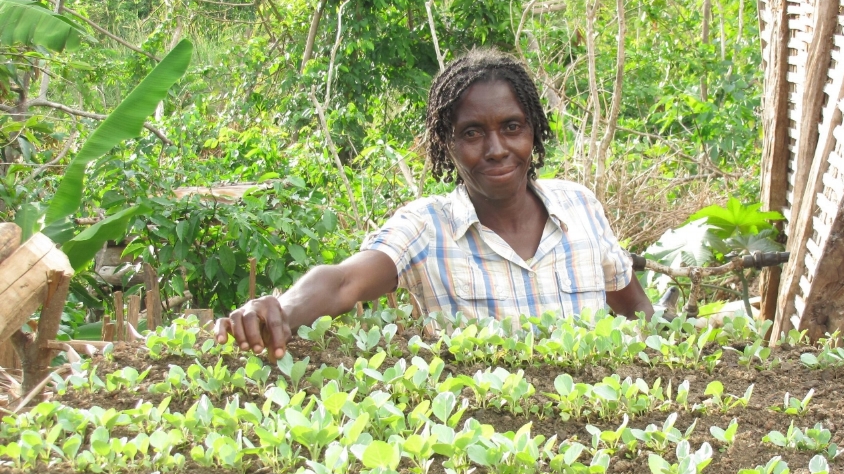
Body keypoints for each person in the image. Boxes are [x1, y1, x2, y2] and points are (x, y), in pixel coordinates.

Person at [214, 48, 654, 358]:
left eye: (512, 127)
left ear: (533, 132)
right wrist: (281, 309)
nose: (497, 148)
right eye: (472, 133)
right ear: (447, 145)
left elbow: (635, 309)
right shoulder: (427, 227)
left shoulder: (580, 206)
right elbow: (342, 282)